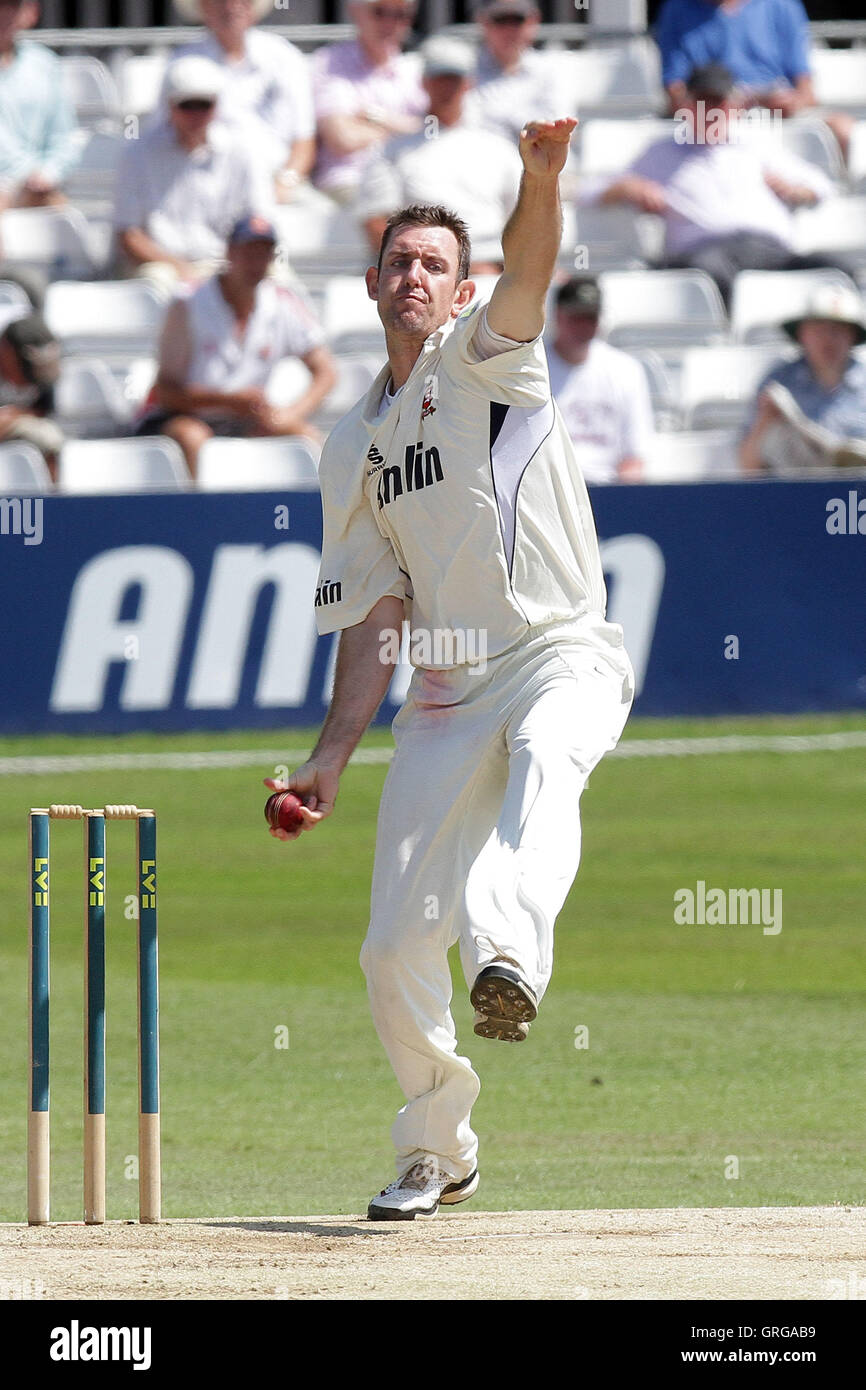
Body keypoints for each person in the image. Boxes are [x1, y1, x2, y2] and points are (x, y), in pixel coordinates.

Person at [263, 120, 635, 1222]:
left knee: (550, 764)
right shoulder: (353, 444)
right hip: (443, 690)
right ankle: (438, 1147)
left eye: (434, 263)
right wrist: (329, 758)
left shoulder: (487, 352)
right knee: (388, 952)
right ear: (373, 283)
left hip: (559, 646)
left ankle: (509, 958)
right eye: (399, 262)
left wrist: (541, 177)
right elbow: (375, 613)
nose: (415, 276)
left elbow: (530, 267)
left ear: (458, 286)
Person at [586, 63, 846, 309]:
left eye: (717, 103)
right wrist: (626, 188)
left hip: (769, 251)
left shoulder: (756, 143)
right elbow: (589, 191)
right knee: (712, 269)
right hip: (703, 255)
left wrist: (797, 191)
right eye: (701, 102)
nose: (709, 111)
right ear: (685, 106)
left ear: (733, 107)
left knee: (835, 271)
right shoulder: (662, 153)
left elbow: (822, 185)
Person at [141, 215, 336, 477]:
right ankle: (202, 514)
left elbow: (326, 371)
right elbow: (165, 394)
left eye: (263, 252)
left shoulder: (282, 301)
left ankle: (313, 514)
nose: (256, 262)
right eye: (249, 251)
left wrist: (288, 415)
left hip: (243, 418)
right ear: (230, 252)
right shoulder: (188, 303)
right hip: (184, 416)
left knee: (307, 437)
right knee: (192, 438)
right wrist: (230, 401)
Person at [359, 37, 522, 273]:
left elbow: (523, 223)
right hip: (422, 271)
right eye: (439, 79)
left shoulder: (500, 149)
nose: (446, 87)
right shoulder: (390, 151)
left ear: (469, 83)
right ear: (424, 83)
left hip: (495, 270)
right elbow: (376, 224)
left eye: (453, 79)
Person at [114, 56, 274, 293]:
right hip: (163, 267)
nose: (196, 114)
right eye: (187, 105)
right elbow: (129, 236)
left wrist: (235, 267)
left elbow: (258, 221)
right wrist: (181, 268)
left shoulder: (242, 152)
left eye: (204, 104)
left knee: (280, 281)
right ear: (168, 105)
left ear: (217, 106)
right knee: (157, 282)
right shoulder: (137, 154)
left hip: (229, 263)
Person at [654, 0, 852, 157]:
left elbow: (807, 93)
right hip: (711, 117)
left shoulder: (783, 6)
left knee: (842, 128)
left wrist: (790, 103)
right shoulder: (676, 9)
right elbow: (675, 95)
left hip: (775, 116)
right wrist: (717, 107)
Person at [169, 0, 316, 199]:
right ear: (202, 8)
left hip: (276, 183)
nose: (232, 6)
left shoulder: (285, 57)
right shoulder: (180, 65)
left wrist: (284, 184)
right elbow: (168, 133)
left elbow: (304, 140)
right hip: (203, 185)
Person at [740, 284, 866, 473]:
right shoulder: (778, 382)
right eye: (819, 330)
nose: (828, 339)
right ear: (802, 334)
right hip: (794, 497)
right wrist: (765, 420)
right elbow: (748, 467)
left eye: (838, 330)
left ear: (852, 336)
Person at [310, 0, 426, 203]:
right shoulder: (328, 62)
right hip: (353, 181)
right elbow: (343, 139)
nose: (390, 22)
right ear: (355, 11)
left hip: (409, 179)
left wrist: (374, 116)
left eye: (401, 14)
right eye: (380, 12)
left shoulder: (416, 68)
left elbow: (432, 129)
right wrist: (405, 130)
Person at [547, 277, 652, 484]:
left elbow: (634, 458)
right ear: (558, 315)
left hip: (608, 490)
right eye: (576, 318)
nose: (584, 326)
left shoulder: (625, 370)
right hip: (549, 489)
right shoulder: (531, 368)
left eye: (591, 318)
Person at [0, 0, 81, 215]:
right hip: (15, 186)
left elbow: (64, 136)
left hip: (34, 187)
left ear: (27, 12)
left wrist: (48, 173)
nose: (3, 14)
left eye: (10, 6)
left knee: (65, 222)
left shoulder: (44, 63)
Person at [467, 0, 568, 146]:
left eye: (517, 20)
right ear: (483, 22)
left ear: (533, 22)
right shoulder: (464, 70)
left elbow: (558, 131)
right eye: (500, 20)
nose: (509, 30)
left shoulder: (550, 71)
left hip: (538, 163)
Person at [0, 311, 63, 479]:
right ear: (7, 351)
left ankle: (53, 500)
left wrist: (12, 417)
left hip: (20, 437)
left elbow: (43, 414)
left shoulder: (45, 382)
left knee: (49, 437)